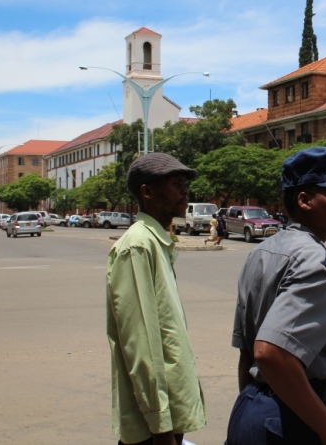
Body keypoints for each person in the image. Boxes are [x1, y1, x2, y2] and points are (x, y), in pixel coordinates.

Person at [226, 146, 326, 445]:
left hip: (256, 408)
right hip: (299, 420)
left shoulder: (264, 250)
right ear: (304, 200)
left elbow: (247, 353)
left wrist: (254, 416)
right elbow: (269, 352)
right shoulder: (314, 261)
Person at [106, 153, 205, 445]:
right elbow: (141, 346)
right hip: (154, 430)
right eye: (177, 184)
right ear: (147, 192)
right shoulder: (137, 246)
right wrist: (161, 428)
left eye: (186, 184)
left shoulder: (156, 241)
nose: (186, 191)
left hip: (167, 419)